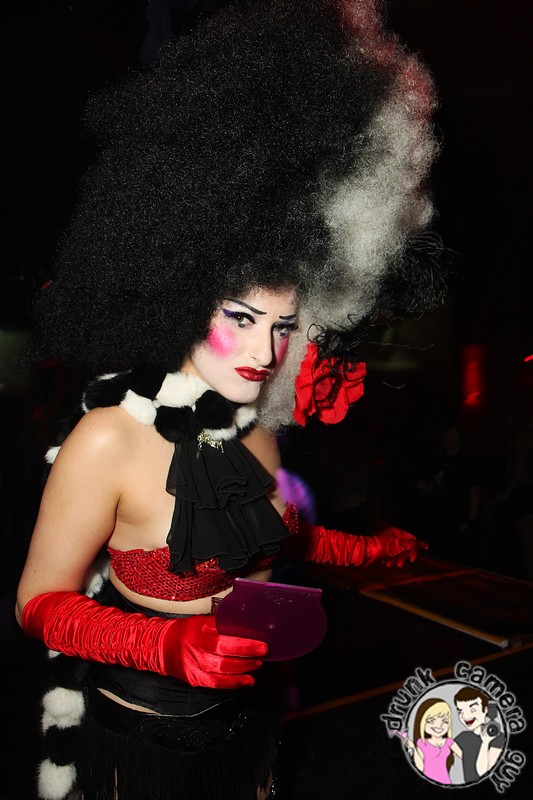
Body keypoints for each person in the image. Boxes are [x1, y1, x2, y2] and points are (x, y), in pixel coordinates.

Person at [15, 2, 444, 798]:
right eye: (241, 318)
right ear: (181, 301)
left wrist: (367, 551)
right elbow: (38, 602)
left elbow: (275, 537)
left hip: (248, 733)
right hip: (145, 742)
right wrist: (165, 647)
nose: (264, 352)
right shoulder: (108, 439)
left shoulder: (258, 433)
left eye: (283, 326)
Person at [406, 698, 462, 785]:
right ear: (422, 722)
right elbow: (420, 768)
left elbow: (465, 757)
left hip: (446, 782)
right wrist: (413, 748)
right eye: (431, 721)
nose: (439, 725)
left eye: (445, 721)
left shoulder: (449, 742)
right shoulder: (422, 743)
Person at [454, 687, 505, 783]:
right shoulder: (463, 737)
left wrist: (485, 742)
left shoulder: (498, 738)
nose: (465, 716)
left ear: (485, 709)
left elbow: (483, 773)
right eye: (460, 711)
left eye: (473, 710)